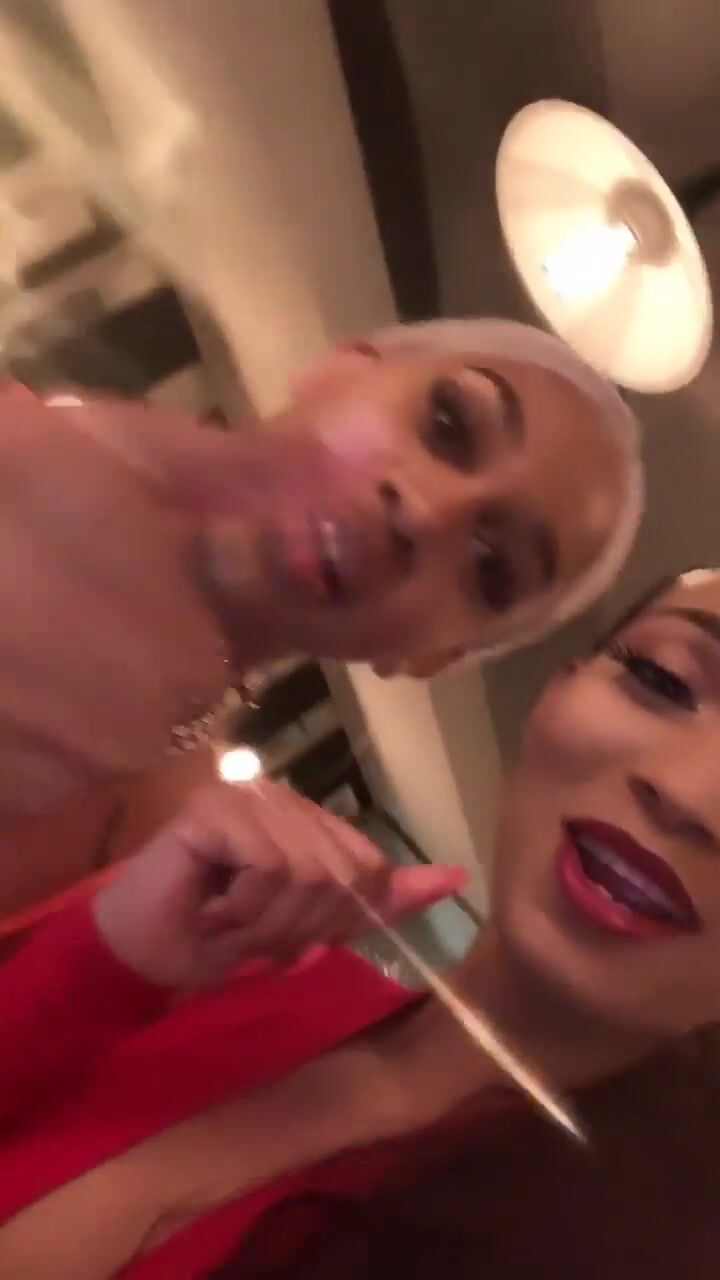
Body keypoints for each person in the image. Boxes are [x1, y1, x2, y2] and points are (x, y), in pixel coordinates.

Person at [1, 565, 719, 1278]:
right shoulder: (252, 972)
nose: (687, 794)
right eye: (663, 679)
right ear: (557, 690)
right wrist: (106, 959)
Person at [0, 318, 641, 822]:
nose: (425, 513)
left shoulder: (150, 846)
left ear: (430, 656)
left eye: (490, 566)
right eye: (447, 424)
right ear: (338, 371)